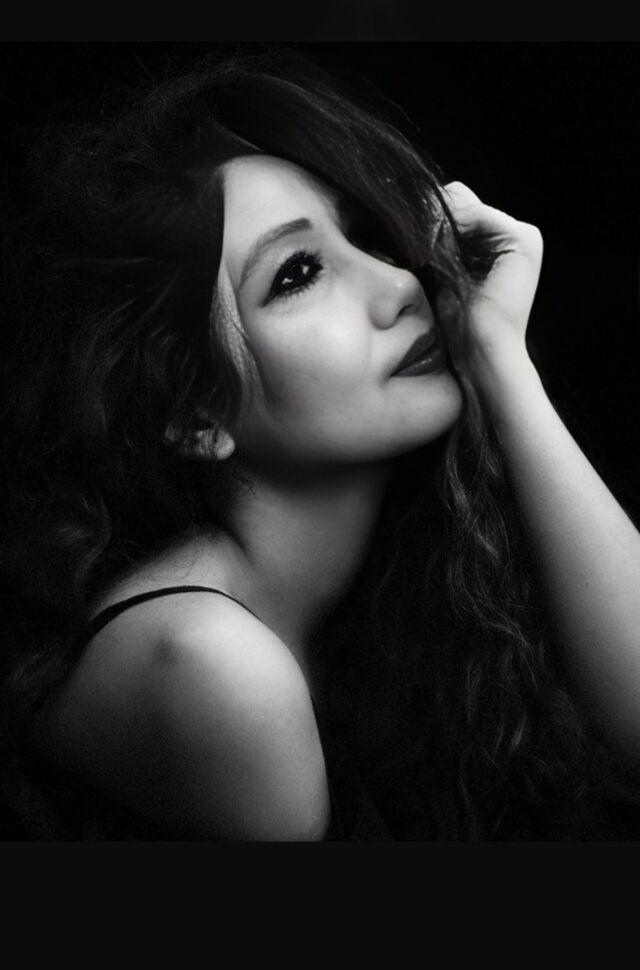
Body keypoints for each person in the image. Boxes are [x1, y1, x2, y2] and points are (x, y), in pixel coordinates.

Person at [1, 49, 639, 841]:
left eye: (370, 237)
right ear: (199, 412)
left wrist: (499, 359)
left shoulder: (401, 601)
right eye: (299, 272)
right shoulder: (214, 664)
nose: (400, 285)